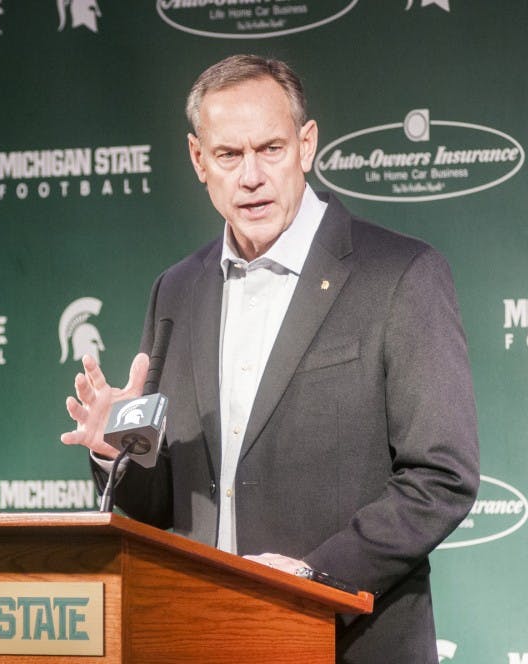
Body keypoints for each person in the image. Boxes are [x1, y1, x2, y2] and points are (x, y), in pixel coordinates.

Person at [60, 54, 480, 663]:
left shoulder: (401, 275)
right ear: (199, 161)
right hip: (205, 640)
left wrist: (311, 577)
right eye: (229, 155)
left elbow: (442, 477)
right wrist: (118, 447)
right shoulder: (176, 290)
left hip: (346, 641)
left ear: (307, 146)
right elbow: (164, 505)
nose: (251, 176)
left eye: (271, 149)